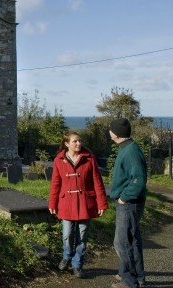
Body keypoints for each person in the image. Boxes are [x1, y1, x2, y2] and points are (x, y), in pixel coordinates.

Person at [48, 130, 108, 279]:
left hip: (85, 203)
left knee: (82, 236)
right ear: (66, 144)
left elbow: (97, 182)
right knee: (67, 234)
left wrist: (101, 204)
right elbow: (55, 184)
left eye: (80, 141)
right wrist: (52, 203)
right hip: (66, 203)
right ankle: (67, 256)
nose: (79, 143)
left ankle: (77, 264)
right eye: (75, 141)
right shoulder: (58, 160)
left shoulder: (89, 159)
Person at [109, 118, 147, 288]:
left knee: (122, 242)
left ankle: (129, 280)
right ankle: (137, 276)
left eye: (110, 129)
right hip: (130, 203)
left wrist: (124, 197)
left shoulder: (131, 151)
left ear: (115, 133)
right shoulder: (127, 148)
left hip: (129, 203)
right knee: (132, 240)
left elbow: (138, 181)